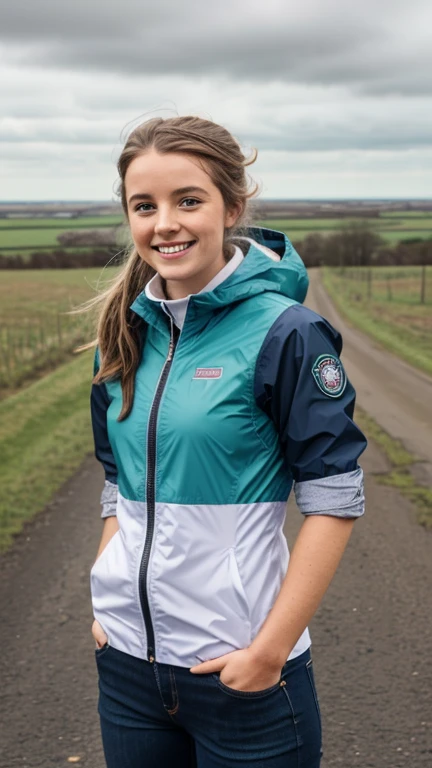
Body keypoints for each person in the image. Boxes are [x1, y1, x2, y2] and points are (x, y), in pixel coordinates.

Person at [87, 115, 367, 768]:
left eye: (189, 200)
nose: (165, 224)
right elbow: (115, 484)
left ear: (232, 206)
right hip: (127, 670)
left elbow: (334, 498)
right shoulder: (119, 337)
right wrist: (106, 607)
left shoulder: (289, 333)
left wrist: (269, 650)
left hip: (242, 677)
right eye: (144, 205)